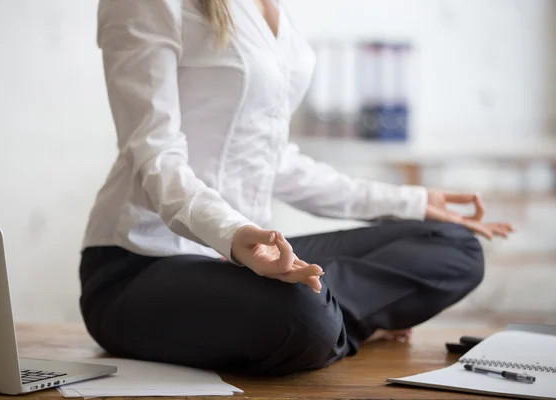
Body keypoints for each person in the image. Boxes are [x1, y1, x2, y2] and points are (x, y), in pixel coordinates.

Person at [79, 0, 514, 376]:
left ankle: (333, 320)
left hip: (248, 266)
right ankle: (339, 321)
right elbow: (155, 154)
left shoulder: (268, 8)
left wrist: (411, 202)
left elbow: (277, 162)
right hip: (138, 267)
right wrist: (232, 235)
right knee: (304, 316)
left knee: (456, 247)